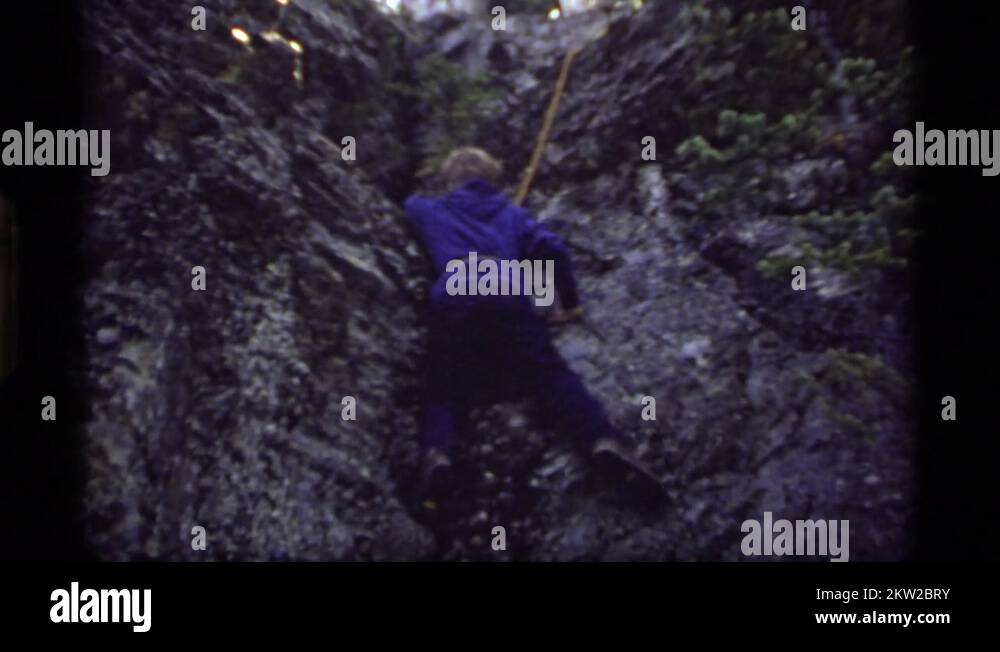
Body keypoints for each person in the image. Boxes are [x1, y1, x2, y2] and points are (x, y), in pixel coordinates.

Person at [404, 146, 661, 503]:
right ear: (494, 179)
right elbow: (553, 250)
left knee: (445, 386)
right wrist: (567, 305)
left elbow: (412, 204)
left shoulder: (430, 210)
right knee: (550, 376)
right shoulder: (513, 215)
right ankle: (601, 439)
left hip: (457, 293)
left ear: (450, 180)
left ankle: (438, 453)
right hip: (510, 293)